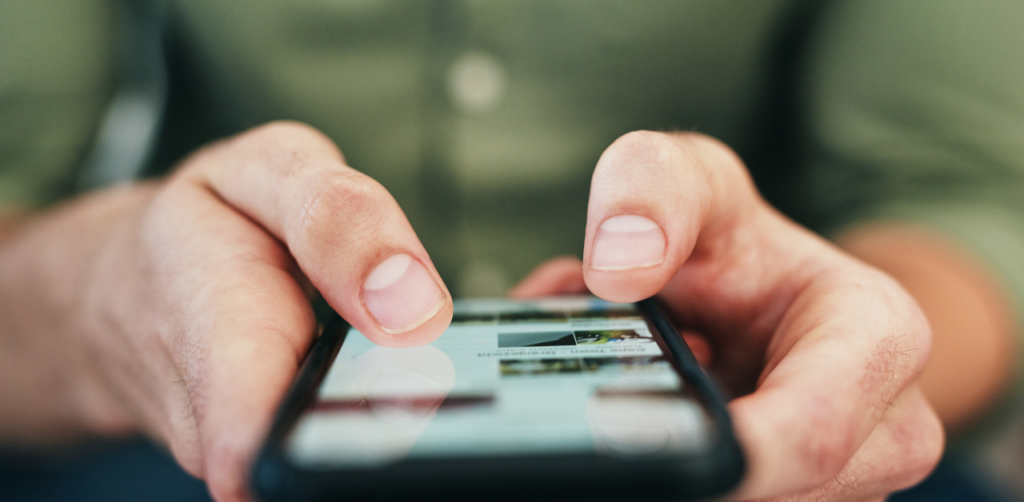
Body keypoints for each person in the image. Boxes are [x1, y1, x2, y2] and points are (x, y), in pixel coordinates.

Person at [1, 1, 1022, 501]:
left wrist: (840, 354)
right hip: (201, 409)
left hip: (741, 405)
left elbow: (960, 192)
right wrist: (105, 296)